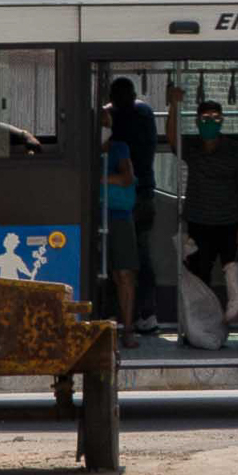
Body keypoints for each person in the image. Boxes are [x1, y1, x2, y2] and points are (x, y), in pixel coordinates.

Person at [164, 86, 238, 344]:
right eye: (205, 119)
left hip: (230, 223)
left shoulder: (234, 150)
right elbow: (172, 138)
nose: (210, 124)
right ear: (197, 121)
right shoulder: (192, 147)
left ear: (222, 121)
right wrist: (174, 105)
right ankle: (199, 330)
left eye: (215, 119)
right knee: (199, 278)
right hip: (199, 224)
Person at [106, 77, 160, 334]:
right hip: (146, 193)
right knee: (141, 256)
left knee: (120, 260)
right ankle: (146, 312)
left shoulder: (118, 126)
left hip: (124, 199)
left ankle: (117, 312)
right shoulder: (146, 114)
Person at [101, 129, 140, 350]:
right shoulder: (82, 144)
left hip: (119, 217)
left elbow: (126, 178)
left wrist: (99, 178)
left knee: (124, 273)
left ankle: (128, 329)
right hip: (90, 215)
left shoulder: (119, 148)